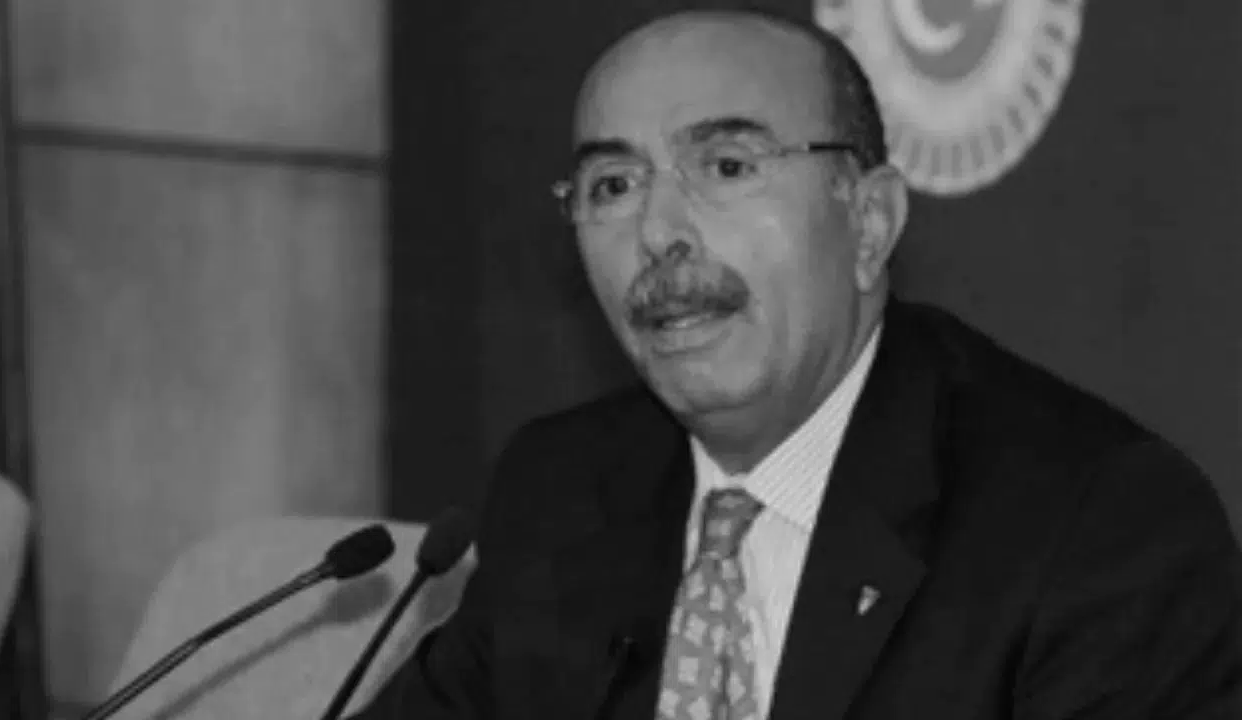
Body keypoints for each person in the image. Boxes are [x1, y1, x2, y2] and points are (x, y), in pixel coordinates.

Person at [354, 8, 1242, 719]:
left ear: (869, 223)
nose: (658, 232)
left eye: (726, 166)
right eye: (613, 186)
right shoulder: (560, 490)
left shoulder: (1096, 525)